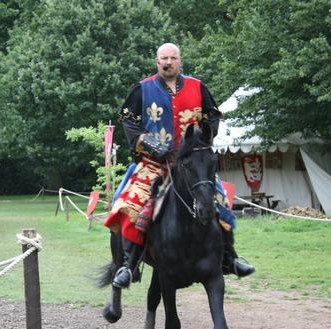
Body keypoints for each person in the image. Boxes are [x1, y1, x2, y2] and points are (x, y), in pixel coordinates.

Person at [105, 43, 255, 289]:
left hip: (191, 163)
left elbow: (212, 114)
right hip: (154, 164)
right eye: (164, 58)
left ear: (179, 61)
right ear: (157, 61)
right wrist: (151, 144)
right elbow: (128, 122)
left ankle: (231, 258)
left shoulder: (197, 86)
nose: (168, 62)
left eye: (173, 58)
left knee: (218, 201)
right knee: (131, 204)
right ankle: (129, 265)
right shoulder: (141, 89)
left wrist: (205, 136)